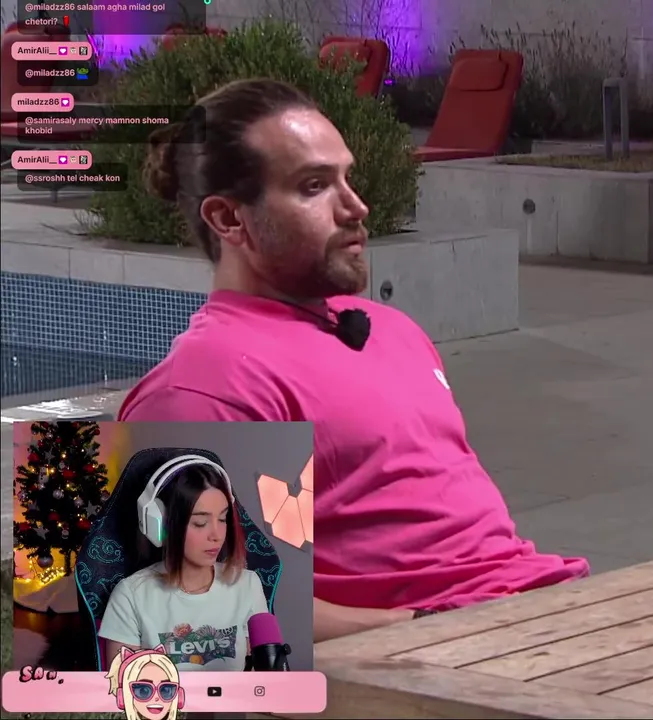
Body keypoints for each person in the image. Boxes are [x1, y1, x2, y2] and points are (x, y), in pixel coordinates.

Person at [115, 78, 588, 642]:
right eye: (314, 186)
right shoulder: (210, 385)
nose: (356, 207)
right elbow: (182, 607)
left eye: (346, 177)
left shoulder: (391, 329)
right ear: (229, 219)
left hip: (546, 602)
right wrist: (409, 626)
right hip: (437, 648)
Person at [98, 461, 267, 671]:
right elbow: (124, 684)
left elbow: (262, 676)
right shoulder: (131, 596)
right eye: (200, 523)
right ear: (162, 524)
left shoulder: (247, 585)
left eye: (223, 519)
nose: (216, 535)